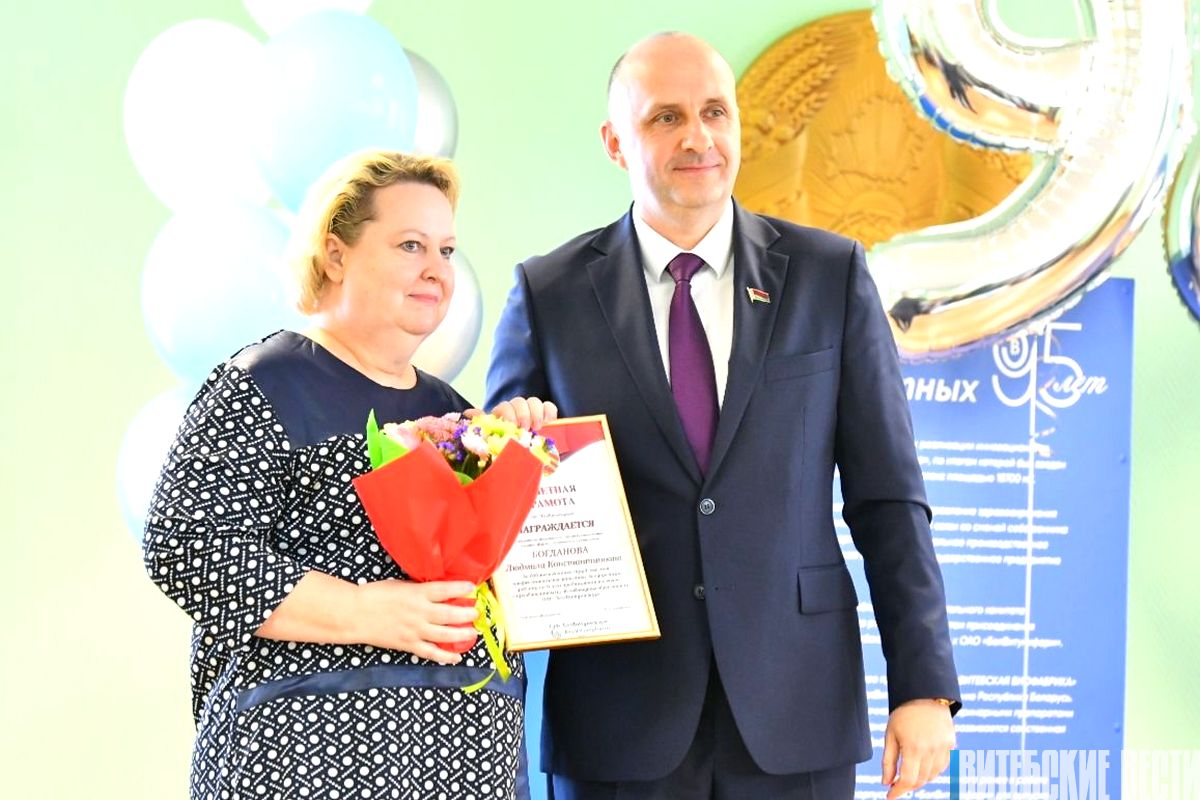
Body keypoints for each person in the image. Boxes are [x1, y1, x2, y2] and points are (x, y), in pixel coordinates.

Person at [486, 33, 959, 800]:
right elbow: (492, 508)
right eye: (665, 117)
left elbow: (888, 498)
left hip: (796, 708)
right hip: (617, 717)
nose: (697, 137)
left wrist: (925, 686)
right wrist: (504, 452)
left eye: (714, 112)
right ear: (615, 142)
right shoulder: (549, 294)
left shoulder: (829, 275)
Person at [143, 149, 554, 799]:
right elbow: (187, 548)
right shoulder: (266, 385)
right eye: (411, 245)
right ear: (335, 255)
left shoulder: (456, 414)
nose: (436, 269)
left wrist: (521, 451)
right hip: (301, 769)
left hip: (465, 769)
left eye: (447, 250)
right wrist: (365, 610)